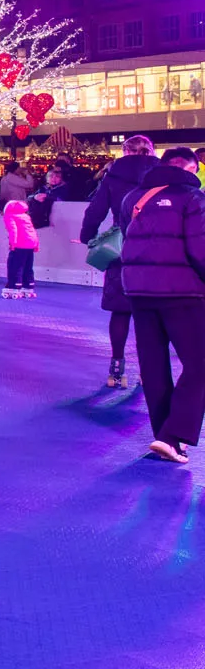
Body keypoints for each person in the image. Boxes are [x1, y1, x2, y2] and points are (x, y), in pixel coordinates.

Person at [118, 147, 205, 464]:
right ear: (191, 169)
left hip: (139, 291)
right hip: (183, 293)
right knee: (200, 364)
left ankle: (165, 438)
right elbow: (201, 249)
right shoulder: (193, 198)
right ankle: (172, 436)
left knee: (153, 366)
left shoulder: (134, 198)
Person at [79, 135, 157, 389]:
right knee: (151, 313)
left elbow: (95, 210)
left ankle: (116, 366)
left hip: (121, 248)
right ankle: (148, 368)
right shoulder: (162, 175)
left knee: (120, 310)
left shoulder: (113, 175)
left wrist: (87, 236)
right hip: (157, 249)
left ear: (124, 151)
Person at [2, 199, 39, 299]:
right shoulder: (26, 216)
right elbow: (32, 231)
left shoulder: (9, 216)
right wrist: (36, 244)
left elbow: (13, 230)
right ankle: (28, 285)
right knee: (28, 266)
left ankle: (14, 285)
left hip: (19, 244)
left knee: (15, 265)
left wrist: (12, 243)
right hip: (30, 244)